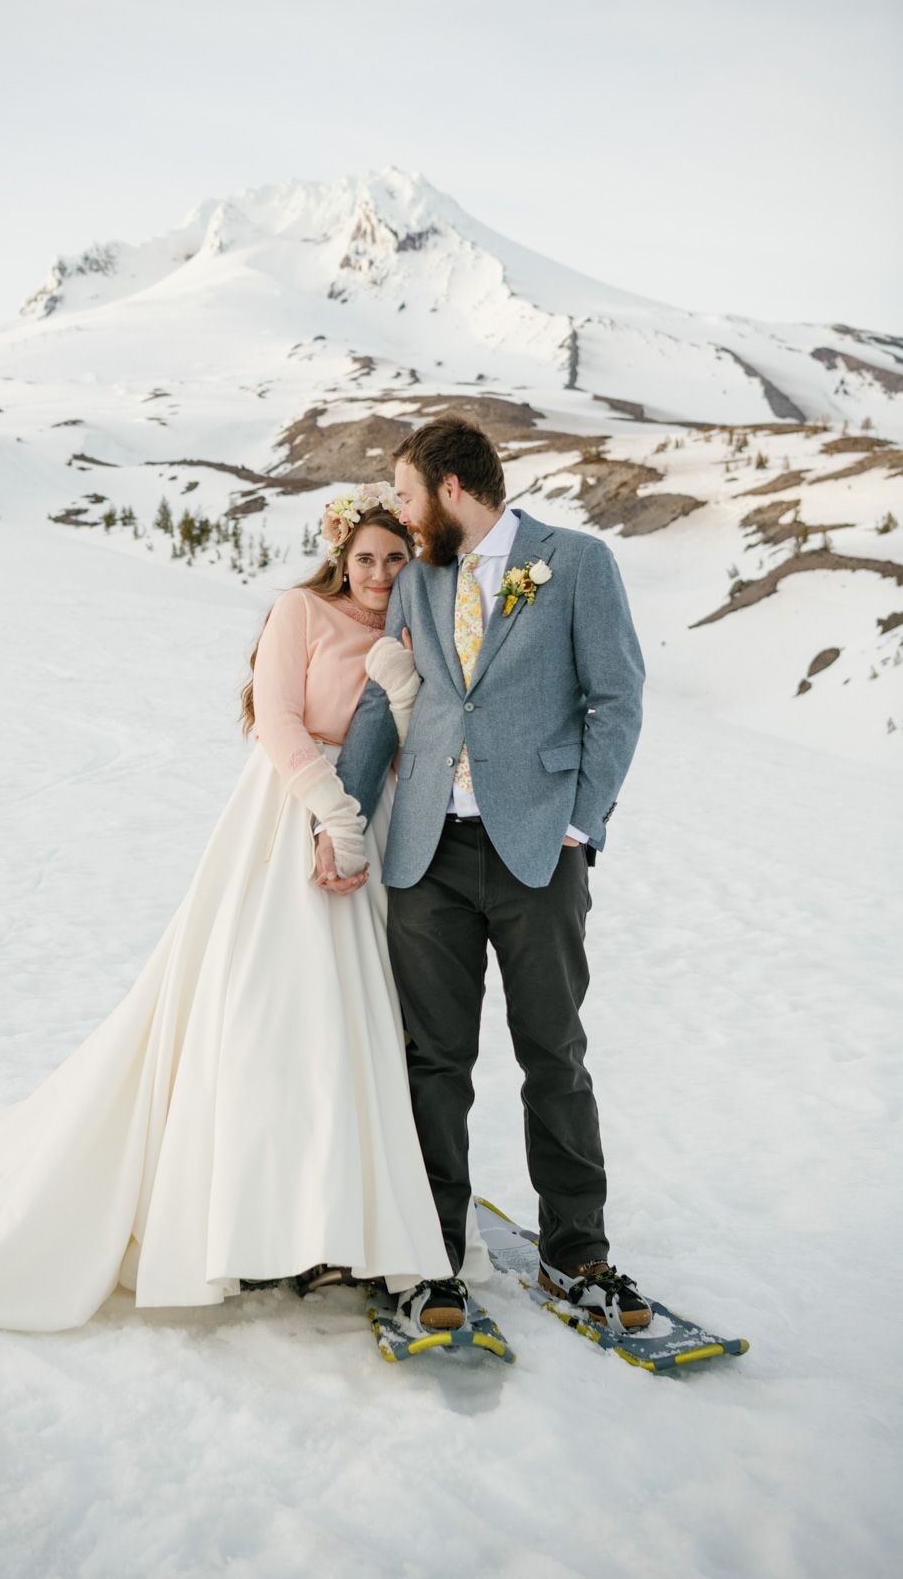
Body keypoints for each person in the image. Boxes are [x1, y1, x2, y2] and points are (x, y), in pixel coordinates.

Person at [0, 485, 480, 1330]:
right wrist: (331, 812)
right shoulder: (299, 610)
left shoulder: (406, 636)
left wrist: (392, 731)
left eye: (393, 559)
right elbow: (279, 723)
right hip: (288, 816)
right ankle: (249, 1219)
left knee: (353, 1027)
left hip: (364, 827)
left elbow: (414, 737)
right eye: (364, 557)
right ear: (340, 554)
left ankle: (332, 1221)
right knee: (264, 1012)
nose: (377, 572)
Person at [318, 415, 651, 1335]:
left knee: (554, 1053)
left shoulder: (573, 563)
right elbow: (394, 704)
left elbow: (615, 698)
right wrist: (341, 820)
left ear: (452, 490)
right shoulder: (417, 580)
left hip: (539, 851)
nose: (401, 511)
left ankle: (576, 1251)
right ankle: (430, 1257)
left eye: (409, 493)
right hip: (426, 852)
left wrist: (582, 821)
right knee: (433, 1061)